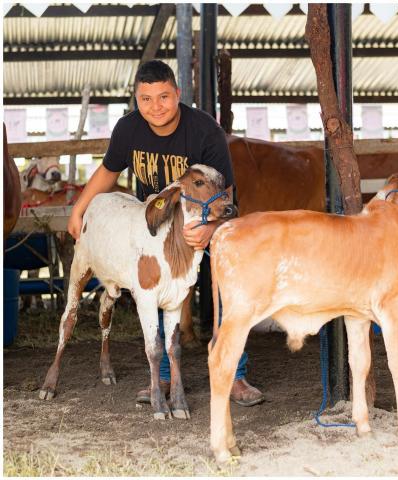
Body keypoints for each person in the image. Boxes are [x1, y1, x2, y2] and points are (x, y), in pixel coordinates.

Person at [68, 59, 264, 407]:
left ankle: (235, 375)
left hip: (204, 219)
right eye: (146, 99)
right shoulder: (129, 129)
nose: (155, 107)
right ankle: (160, 377)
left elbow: (226, 192)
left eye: (163, 97)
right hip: (156, 221)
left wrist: (209, 228)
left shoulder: (204, 131)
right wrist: (79, 209)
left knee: (228, 288)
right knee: (152, 288)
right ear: (136, 99)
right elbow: (108, 171)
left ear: (177, 94)